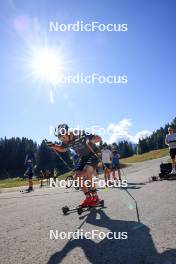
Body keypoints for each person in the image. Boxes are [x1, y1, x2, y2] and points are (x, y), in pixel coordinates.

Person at [46, 124, 102, 207]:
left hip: (93, 154)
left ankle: (95, 197)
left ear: (67, 132)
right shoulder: (66, 141)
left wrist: (90, 140)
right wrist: (54, 146)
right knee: (77, 176)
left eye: (63, 137)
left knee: (86, 171)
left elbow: (98, 138)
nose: (63, 140)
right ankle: (88, 197)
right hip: (83, 157)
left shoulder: (79, 133)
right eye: (60, 138)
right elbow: (63, 149)